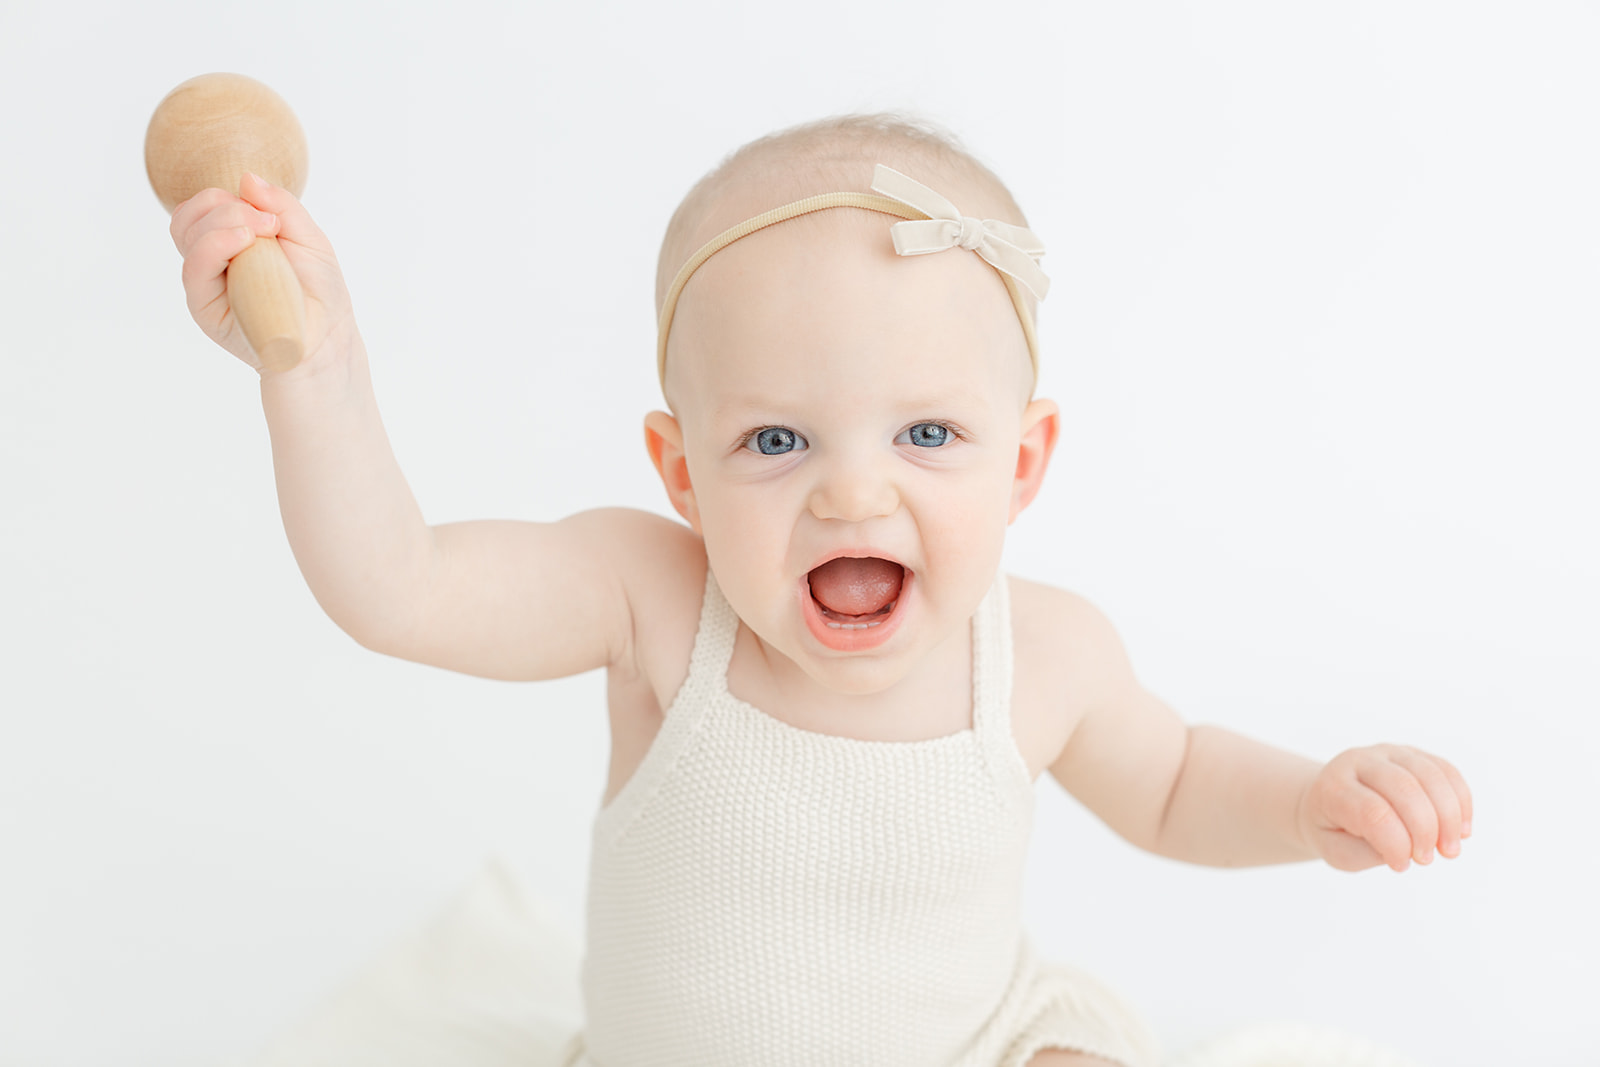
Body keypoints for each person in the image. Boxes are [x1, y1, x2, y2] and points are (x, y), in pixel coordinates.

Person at [167, 113, 1472, 1067]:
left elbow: (1180, 782)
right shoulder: (655, 601)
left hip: (977, 1045)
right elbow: (400, 586)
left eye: (927, 436)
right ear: (681, 471)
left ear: (1023, 463)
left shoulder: (1048, 656)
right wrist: (314, 366)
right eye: (778, 443)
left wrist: (1307, 801)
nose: (854, 496)